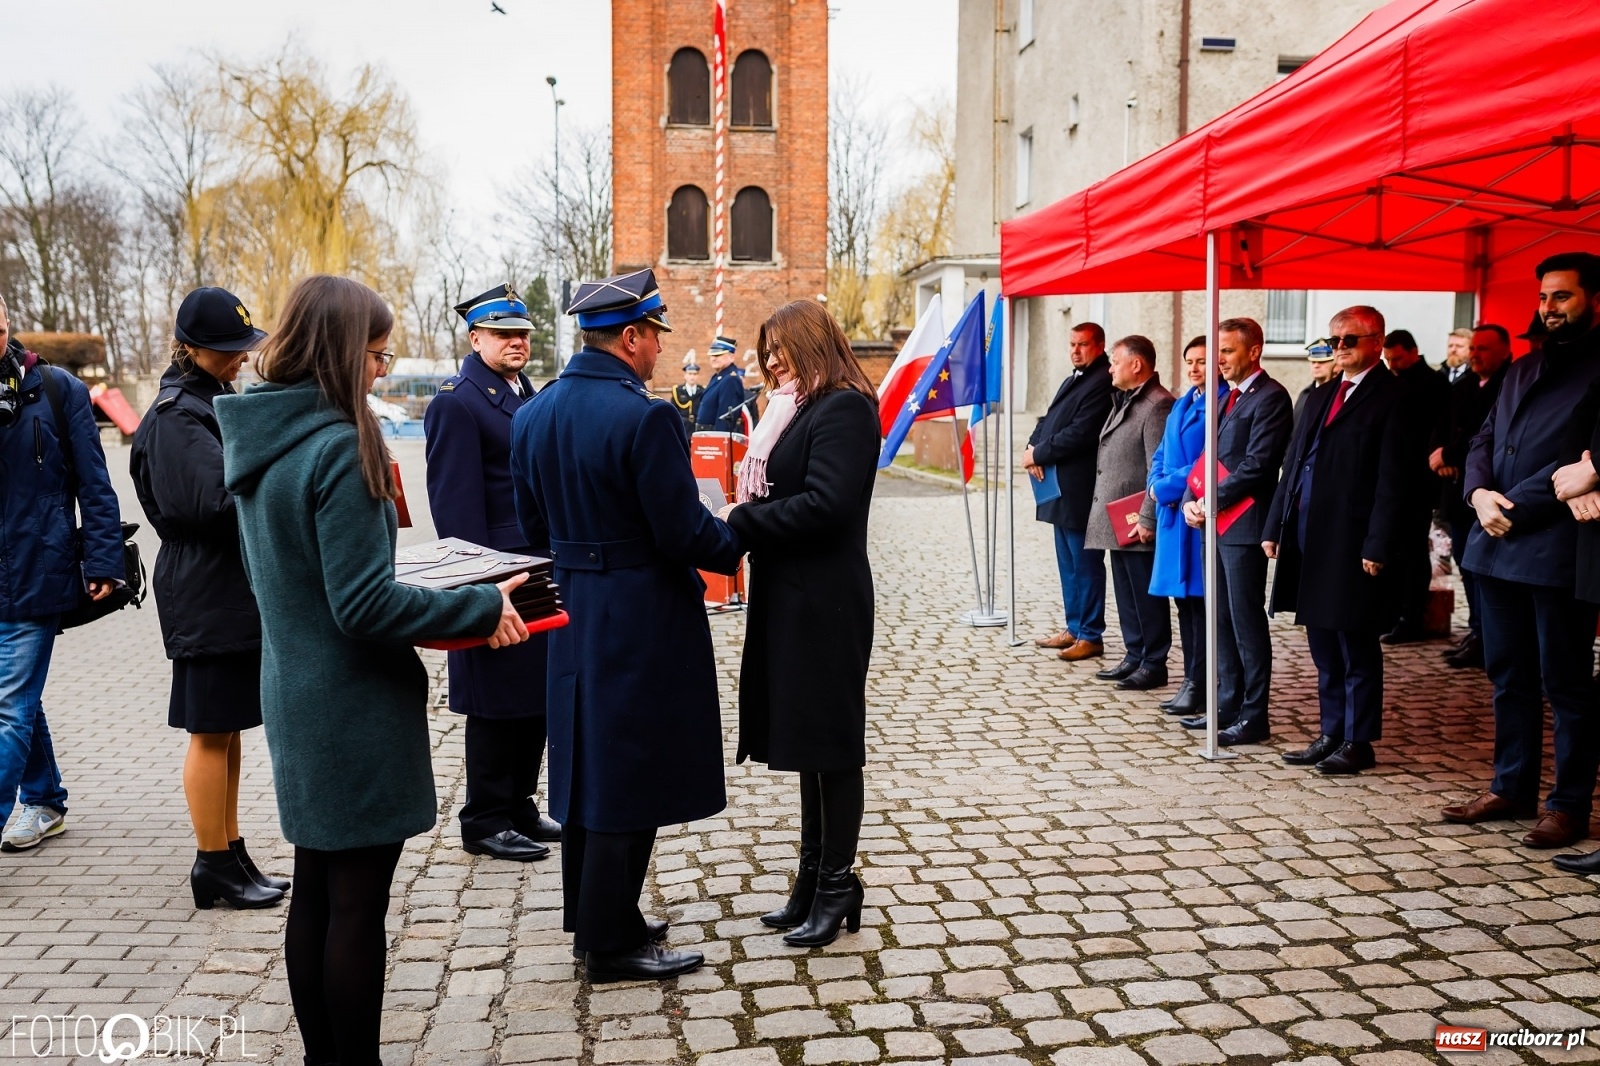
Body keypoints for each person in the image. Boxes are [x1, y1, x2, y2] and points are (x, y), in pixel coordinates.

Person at [215, 275, 530, 1065]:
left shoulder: (262, 438)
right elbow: (361, 605)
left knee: (318, 890)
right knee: (356, 905)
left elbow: (309, 584)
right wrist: (478, 609)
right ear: (339, 352)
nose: (383, 372)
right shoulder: (337, 447)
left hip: (294, 689)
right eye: (377, 354)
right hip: (351, 703)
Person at [510, 267, 743, 983]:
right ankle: (609, 945)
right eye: (654, 338)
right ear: (633, 337)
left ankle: (598, 914)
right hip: (640, 608)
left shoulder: (534, 413)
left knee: (586, 766)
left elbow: (531, 524)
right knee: (630, 772)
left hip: (571, 601)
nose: (659, 353)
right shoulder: (646, 417)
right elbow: (680, 532)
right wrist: (738, 536)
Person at [715, 300, 878, 948]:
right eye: (767, 350)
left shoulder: (844, 408)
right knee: (809, 742)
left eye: (781, 348)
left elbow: (828, 505)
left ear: (813, 343)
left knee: (833, 746)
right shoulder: (797, 407)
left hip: (827, 600)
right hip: (792, 594)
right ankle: (813, 879)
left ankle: (837, 883)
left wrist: (741, 520)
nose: (772, 360)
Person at [130, 286, 287, 910]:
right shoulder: (177, 414)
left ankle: (232, 848)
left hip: (225, 585)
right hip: (204, 587)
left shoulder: (211, 399)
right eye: (227, 350)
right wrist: (274, 480)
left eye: (243, 347)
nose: (240, 359)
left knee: (227, 726)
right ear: (190, 348)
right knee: (208, 729)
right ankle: (211, 862)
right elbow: (210, 505)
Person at [1443, 252, 1600, 850]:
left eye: (1562, 296)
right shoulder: (1521, 368)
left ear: (1593, 299)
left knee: (1565, 681)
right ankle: (1511, 786)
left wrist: (1508, 504)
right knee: (1507, 675)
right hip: (1495, 543)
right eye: (1543, 297)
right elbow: (1485, 438)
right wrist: (1479, 492)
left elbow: (1581, 462)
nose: (1549, 307)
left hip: (1557, 546)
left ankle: (1569, 806)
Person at [423, 283, 560, 863]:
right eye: (503, 334)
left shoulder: (523, 390)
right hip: (493, 573)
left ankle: (520, 804)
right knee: (493, 700)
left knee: (532, 694)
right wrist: (478, 587)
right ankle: (483, 816)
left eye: (523, 334)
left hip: (533, 565)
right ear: (475, 338)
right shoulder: (456, 402)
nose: (516, 343)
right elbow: (455, 510)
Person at [0, 294, 122, 855]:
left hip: (37, 572)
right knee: (17, 700)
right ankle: (45, 798)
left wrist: (103, 561)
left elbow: (95, 485)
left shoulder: (56, 390)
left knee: (9, 707)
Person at [1264, 305, 1406, 773]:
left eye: (1350, 340)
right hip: (1308, 533)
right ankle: (1331, 731)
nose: (1339, 349)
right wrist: (1274, 526)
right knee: (1322, 640)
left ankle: (1358, 740)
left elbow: (1395, 481)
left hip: (1353, 540)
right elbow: (1294, 463)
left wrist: (1378, 543)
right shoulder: (1324, 393)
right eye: (1334, 341)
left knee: (1355, 642)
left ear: (1376, 342)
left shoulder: (1392, 397)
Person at [1179, 318, 1294, 743]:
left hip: (1244, 524)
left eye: (1226, 351)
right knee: (1220, 619)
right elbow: (1214, 456)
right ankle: (1226, 704)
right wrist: (1194, 498)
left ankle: (1254, 714)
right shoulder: (1228, 397)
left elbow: (1259, 465)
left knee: (1245, 621)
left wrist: (1211, 500)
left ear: (1254, 351)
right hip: (1216, 521)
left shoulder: (1271, 397)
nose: (1219, 360)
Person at [1085, 335, 1174, 690]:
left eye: (1115, 362)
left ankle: (1154, 662)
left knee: (1145, 593)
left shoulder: (1157, 405)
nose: (1109, 369)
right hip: (1118, 520)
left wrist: (1148, 516)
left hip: (1137, 518)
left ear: (1136, 364)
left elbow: (1158, 465)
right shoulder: (1127, 399)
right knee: (1126, 590)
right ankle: (1135, 654)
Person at [1025, 324, 1114, 661]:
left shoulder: (1102, 379)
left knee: (1085, 563)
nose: (1076, 351)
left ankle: (1091, 633)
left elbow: (1082, 433)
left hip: (1081, 488)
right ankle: (1074, 627)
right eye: (1072, 344)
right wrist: (1033, 445)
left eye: (1083, 345)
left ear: (1100, 346)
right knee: (1068, 563)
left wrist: (1040, 454)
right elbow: (1048, 419)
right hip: (1060, 489)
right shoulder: (1074, 377)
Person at [1429, 324, 1512, 670]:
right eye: (1473, 349)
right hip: (1457, 496)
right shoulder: (1461, 384)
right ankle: (1477, 631)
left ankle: (1488, 637)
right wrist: (1439, 454)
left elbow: (1486, 434)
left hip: (1489, 495)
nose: (1475, 355)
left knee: (1482, 573)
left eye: (1484, 349)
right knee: (1465, 565)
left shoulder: (1509, 384)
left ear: (1505, 351)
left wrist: (1449, 456)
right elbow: (1442, 424)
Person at [1148, 337, 1222, 716]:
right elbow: (1161, 452)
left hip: (1196, 511)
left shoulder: (1220, 404)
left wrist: (1166, 486)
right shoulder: (1182, 402)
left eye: (1203, 362)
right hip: (1173, 515)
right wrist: (1154, 483)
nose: (1195, 368)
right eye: (1190, 361)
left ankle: (1203, 681)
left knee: (1200, 603)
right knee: (1183, 603)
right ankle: (1190, 679)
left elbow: (1208, 460)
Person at [1379, 328, 1452, 645]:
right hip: (1395, 481)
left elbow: (1435, 432)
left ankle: (1411, 617)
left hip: (1418, 483)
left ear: (1413, 351)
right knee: (1394, 551)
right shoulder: (1394, 381)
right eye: (1388, 359)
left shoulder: (1434, 384)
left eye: (1396, 358)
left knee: (1412, 553)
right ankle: (1396, 613)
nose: (1392, 364)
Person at [698, 334, 747, 432]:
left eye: (718, 355)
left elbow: (725, 420)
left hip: (715, 439)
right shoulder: (718, 377)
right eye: (712, 355)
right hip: (705, 437)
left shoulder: (730, 380)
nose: (713, 358)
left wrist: (718, 441)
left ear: (731, 356)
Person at [1294, 340, 1340, 426]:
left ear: (1334, 364)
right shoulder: (1305, 394)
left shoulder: (1339, 394)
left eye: (1322, 362)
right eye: (1313, 362)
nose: (1316, 366)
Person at [671, 354, 704, 435]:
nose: (692, 377)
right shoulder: (677, 390)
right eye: (690, 374)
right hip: (683, 427)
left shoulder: (703, 391)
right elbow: (674, 410)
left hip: (697, 428)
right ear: (685, 375)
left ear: (698, 376)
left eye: (695, 374)